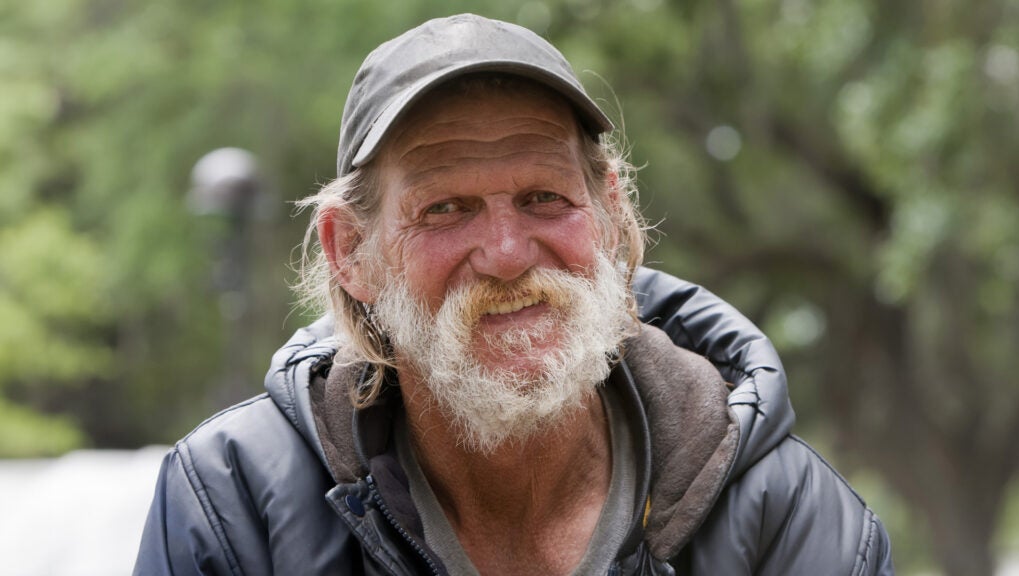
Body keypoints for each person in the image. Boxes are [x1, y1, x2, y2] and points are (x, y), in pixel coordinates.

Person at [135, 13, 893, 576]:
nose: (505, 256)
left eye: (542, 198)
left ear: (610, 214)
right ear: (351, 253)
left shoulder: (788, 517)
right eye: (446, 209)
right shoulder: (234, 506)